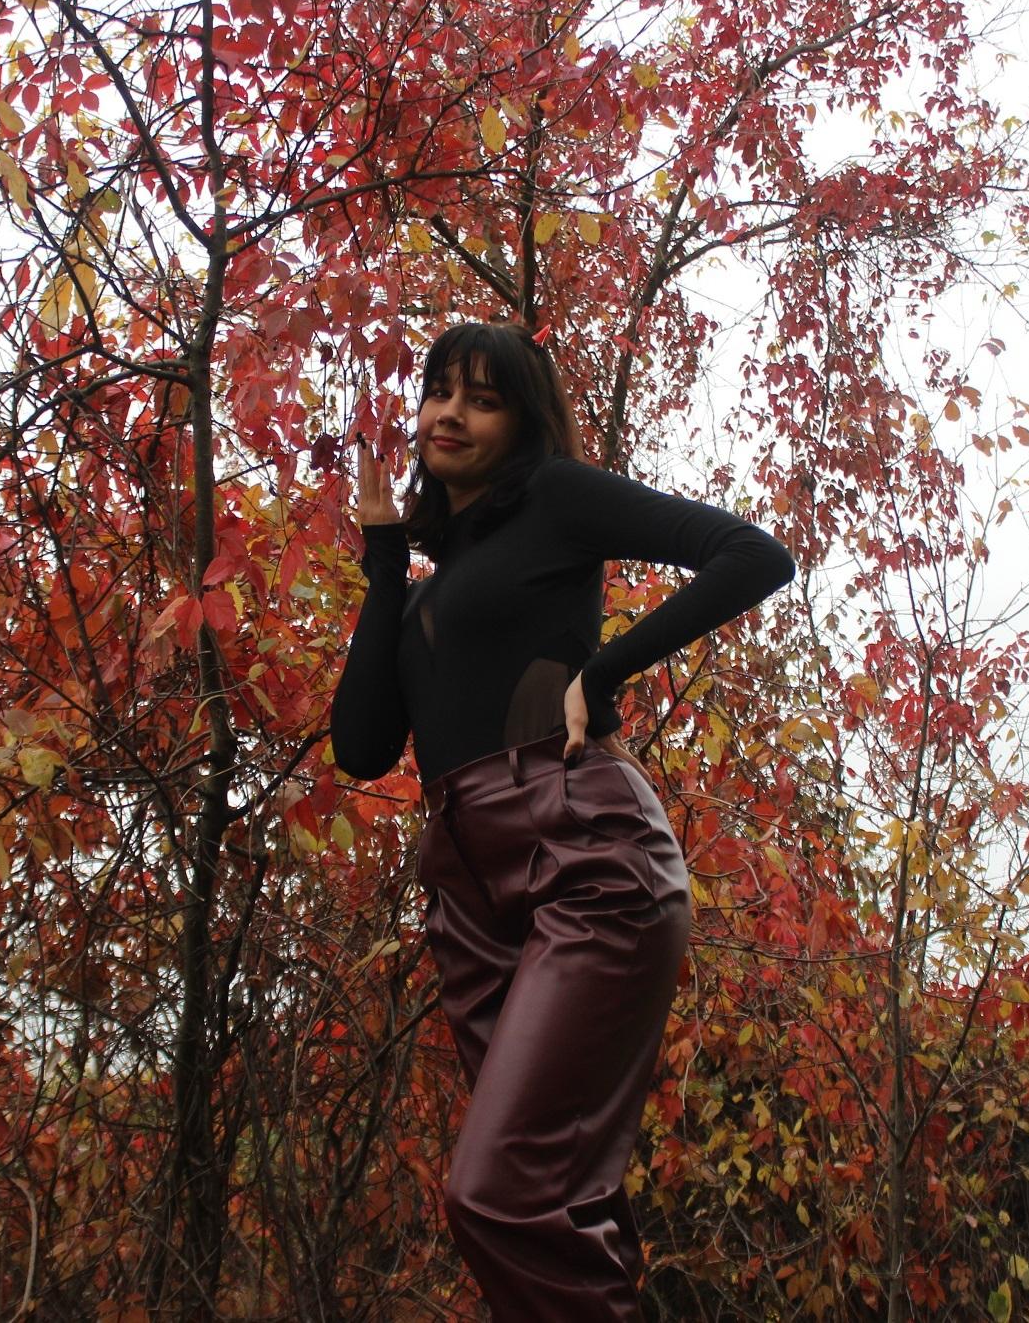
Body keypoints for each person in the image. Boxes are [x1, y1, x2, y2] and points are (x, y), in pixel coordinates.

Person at [330, 321, 794, 1320]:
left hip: (584, 856)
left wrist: (606, 666)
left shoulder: (554, 498)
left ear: (524, 421)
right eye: (438, 391)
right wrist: (384, 561)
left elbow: (752, 553)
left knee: (497, 1195)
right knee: (558, 1210)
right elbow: (360, 747)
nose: (450, 412)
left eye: (483, 397)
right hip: (467, 902)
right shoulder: (423, 593)